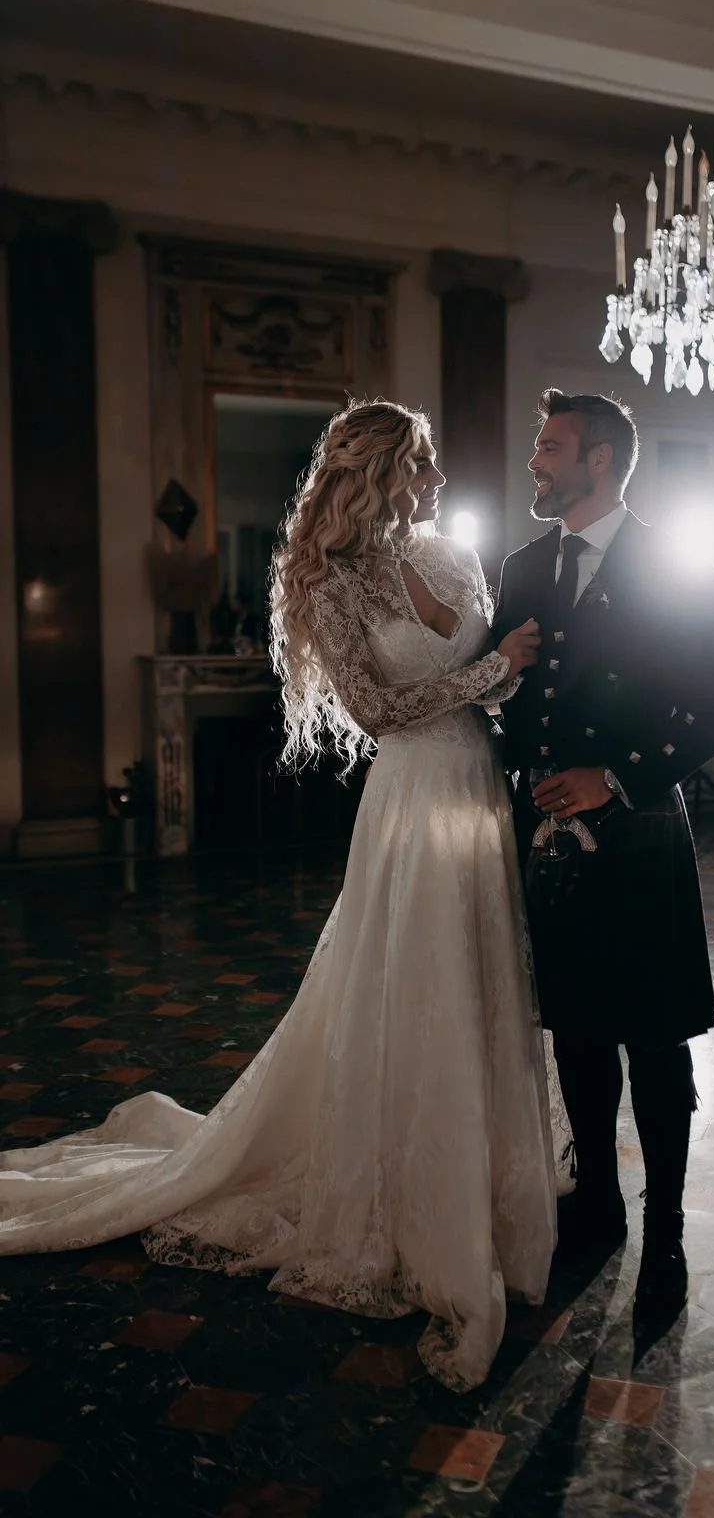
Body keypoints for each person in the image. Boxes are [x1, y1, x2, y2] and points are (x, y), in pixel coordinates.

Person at [0, 400, 557, 1393]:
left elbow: (497, 688)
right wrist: (490, 665)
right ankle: (410, 1184)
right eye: (422, 466)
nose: (437, 482)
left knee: (481, 973)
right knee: (417, 977)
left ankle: (483, 1173)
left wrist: (506, 675)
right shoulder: (330, 582)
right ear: (382, 473)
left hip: (478, 794)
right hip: (411, 797)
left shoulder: (451, 556)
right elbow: (378, 710)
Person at [493, 388, 714, 1339]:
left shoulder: (675, 563)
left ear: (599, 460)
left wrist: (618, 778)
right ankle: (595, 1198)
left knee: (655, 1037)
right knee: (578, 1032)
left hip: (639, 833)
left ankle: (665, 1229)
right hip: (549, 839)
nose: (536, 463)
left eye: (551, 448)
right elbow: (511, 701)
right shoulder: (523, 567)